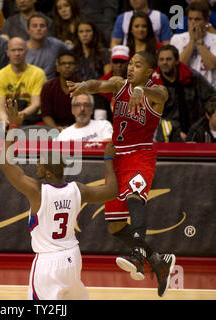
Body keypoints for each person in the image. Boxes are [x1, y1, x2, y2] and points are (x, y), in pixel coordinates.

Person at [67, 51, 176, 297]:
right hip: (117, 156)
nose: (131, 68)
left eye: (138, 65)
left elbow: (161, 94)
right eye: (130, 64)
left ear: (149, 71)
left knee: (135, 196)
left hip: (140, 154)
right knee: (115, 226)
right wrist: (86, 85)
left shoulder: (156, 92)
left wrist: (143, 91)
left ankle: (138, 257)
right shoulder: (120, 84)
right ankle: (158, 260)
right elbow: (100, 84)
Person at [0, 98, 119, 300]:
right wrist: (108, 161)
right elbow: (112, 191)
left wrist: (12, 126)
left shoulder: (37, 191)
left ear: (46, 172)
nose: (36, 163)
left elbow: (4, 162)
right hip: (72, 257)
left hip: (48, 263)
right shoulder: (77, 190)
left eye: (40, 162)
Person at [152, 44, 216, 141]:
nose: (164, 62)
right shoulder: (152, 84)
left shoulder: (191, 76)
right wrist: (175, 132)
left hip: (195, 130)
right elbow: (150, 115)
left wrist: (204, 120)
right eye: (161, 60)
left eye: (168, 59)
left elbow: (212, 97)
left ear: (177, 61)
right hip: (166, 134)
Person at [0, 37, 46, 127]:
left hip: (31, 118)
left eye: (20, 50)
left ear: (26, 51)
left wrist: (20, 115)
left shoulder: (38, 73)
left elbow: (36, 104)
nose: (17, 53)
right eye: (13, 50)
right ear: (7, 53)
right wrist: (5, 121)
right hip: (8, 118)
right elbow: (0, 108)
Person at [170, 1, 216, 88]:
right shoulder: (177, 38)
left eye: (197, 19)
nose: (193, 22)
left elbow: (212, 65)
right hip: (185, 91)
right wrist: (191, 41)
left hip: (210, 91)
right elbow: (178, 66)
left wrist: (199, 41)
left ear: (206, 21)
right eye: (190, 19)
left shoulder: (214, 39)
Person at [40, 50, 78, 131]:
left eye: (71, 63)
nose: (67, 66)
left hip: (78, 128)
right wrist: (57, 130)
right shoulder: (48, 87)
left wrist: (75, 130)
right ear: (58, 68)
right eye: (63, 63)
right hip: (54, 128)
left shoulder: (83, 86)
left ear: (76, 67)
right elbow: (46, 115)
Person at [26, 12, 70, 80]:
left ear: (47, 30)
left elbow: (74, 50)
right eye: (34, 26)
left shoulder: (55, 44)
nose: (38, 29)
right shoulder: (21, 49)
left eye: (42, 26)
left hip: (49, 87)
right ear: (28, 30)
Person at [96, 45, 130, 122]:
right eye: (115, 61)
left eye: (122, 61)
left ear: (129, 63)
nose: (119, 65)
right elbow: (100, 118)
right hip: (108, 125)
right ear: (110, 62)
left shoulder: (136, 82)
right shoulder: (102, 82)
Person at [72, 18, 111, 82]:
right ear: (77, 34)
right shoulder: (73, 53)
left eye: (88, 31)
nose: (84, 35)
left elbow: (107, 78)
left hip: (98, 89)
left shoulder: (104, 53)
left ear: (94, 33)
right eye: (81, 32)